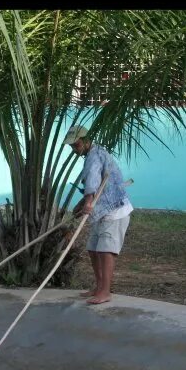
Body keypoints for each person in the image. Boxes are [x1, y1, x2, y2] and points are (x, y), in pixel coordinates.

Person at [65, 125, 133, 305]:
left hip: (115, 211)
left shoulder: (95, 156)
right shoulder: (92, 154)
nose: (74, 150)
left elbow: (93, 181)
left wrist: (87, 203)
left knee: (105, 250)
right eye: (72, 147)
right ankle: (98, 287)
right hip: (102, 210)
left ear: (86, 141)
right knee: (93, 248)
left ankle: (105, 291)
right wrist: (82, 205)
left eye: (76, 145)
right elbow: (93, 186)